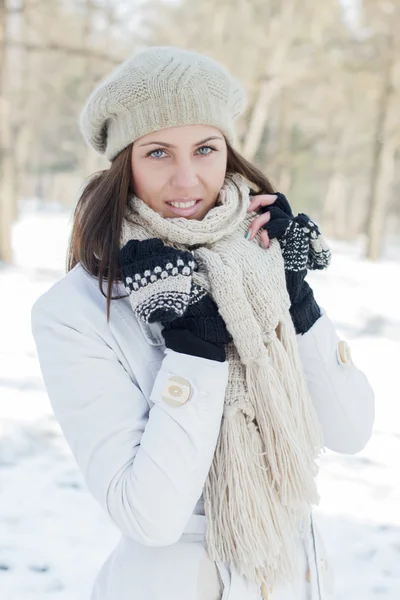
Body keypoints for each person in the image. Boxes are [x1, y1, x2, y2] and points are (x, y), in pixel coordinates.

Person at [31, 46, 375, 600]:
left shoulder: (260, 259)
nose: (187, 178)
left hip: (295, 577)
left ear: (228, 154)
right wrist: (194, 349)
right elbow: (151, 516)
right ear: (126, 163)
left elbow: (350, 430)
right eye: (159, 152)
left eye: (206, 149)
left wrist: (297, 299)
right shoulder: (75, 312)